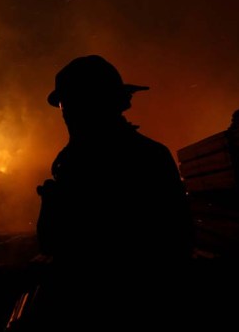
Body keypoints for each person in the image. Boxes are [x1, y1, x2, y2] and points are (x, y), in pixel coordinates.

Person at [32, 55, 194, 327]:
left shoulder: (82, 163)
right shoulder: (148, 155)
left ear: (99, 104)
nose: (66, 114)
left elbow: (58, 242)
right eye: (65, 106)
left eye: (72, 104)